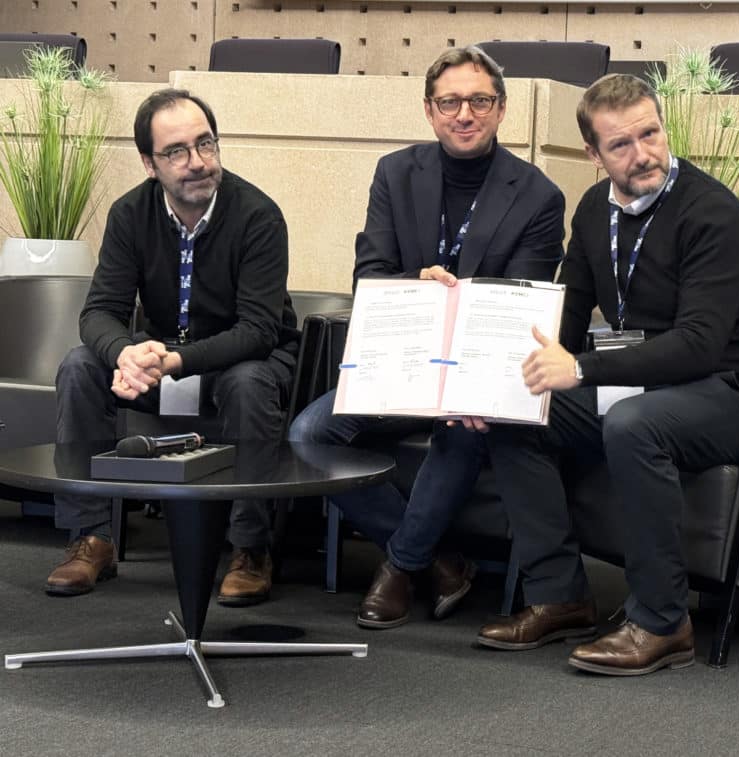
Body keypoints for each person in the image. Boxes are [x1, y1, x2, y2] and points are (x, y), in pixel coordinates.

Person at [470, 73, 739, 676]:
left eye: (650, 134)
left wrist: (582, 367)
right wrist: (492, 385)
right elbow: (564, 316)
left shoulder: (712, 214)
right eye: (621, 145)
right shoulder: (593, 211)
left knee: (635, 424)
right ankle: (559, 596)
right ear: (593, 154)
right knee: (519, 410)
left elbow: (698, 346)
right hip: (642, 384)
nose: (643, 155)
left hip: (723, 392)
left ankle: (663, 622)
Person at [288, 46, 565, 629]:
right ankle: (440, 560)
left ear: (501, 109)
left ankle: (398, 566)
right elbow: (369, 276)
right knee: (308, 434)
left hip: (478, 374)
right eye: (450, 102)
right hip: (404, 363)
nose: (465, 114)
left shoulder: (539, 195)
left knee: (461, 431)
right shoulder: (395, 173)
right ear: (429, 110)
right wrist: (415, 285)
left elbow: (523, 302)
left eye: (479, 101)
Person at [46, 89, 299, 607]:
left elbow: (258, 330)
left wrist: (174, 362)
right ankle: (91, 536)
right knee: (79, 367)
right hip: (162, 361)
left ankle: (250, 548)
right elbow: (99, 312)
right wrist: (125, 355)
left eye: (206, 144)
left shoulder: (258, 216)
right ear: (149, 164)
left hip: (240, 362)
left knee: (250, 381)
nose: (198, 162)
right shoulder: (130, 214)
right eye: (177, 152)